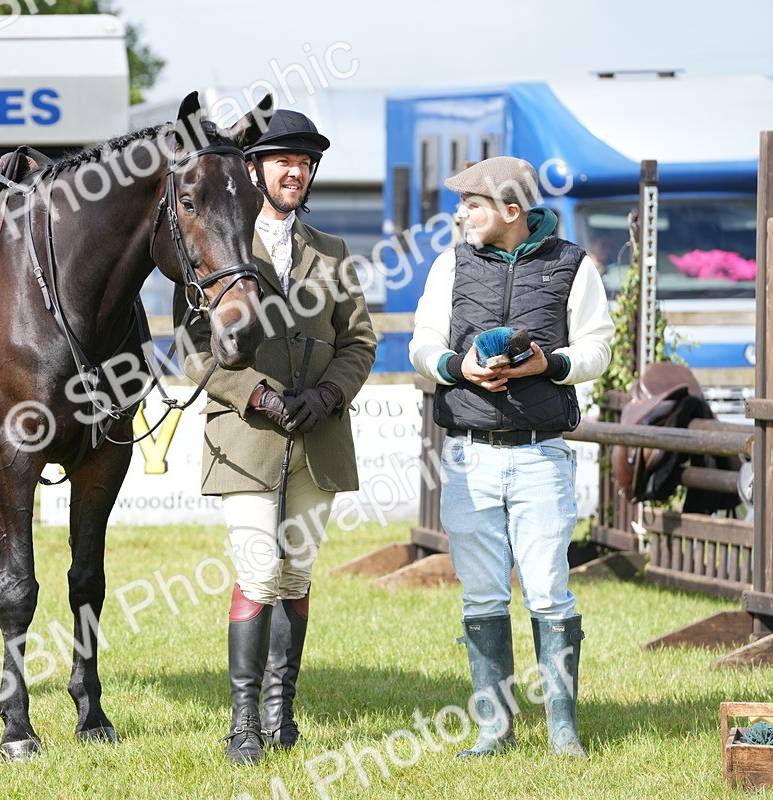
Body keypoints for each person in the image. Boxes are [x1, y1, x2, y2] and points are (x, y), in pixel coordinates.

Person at [176, 110, 377, 765]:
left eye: (305, 162)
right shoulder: (214, 244)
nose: (296, 171)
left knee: (295, 575)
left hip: (317, 439)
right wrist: (254, 393)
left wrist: (328, 393)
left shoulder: (335, 254)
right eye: (283, 160)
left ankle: (280, 716)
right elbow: (192, 347)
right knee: (259, 569)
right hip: (246, 437)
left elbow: (361, 342)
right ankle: (242, 726)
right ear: (254, 170)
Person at [408, 156, 613, 759]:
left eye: (472, 203)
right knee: (481, 597)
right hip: (469, 456)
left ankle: (563, 730)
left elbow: (597, 349)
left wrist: (547, 364)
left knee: (550, 592)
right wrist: (457, 367)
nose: (461, 214)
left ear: (511, 212)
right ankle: (494, 730)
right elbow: (422, 345)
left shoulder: (574, 266)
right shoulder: (450, 265)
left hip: (541, 455)